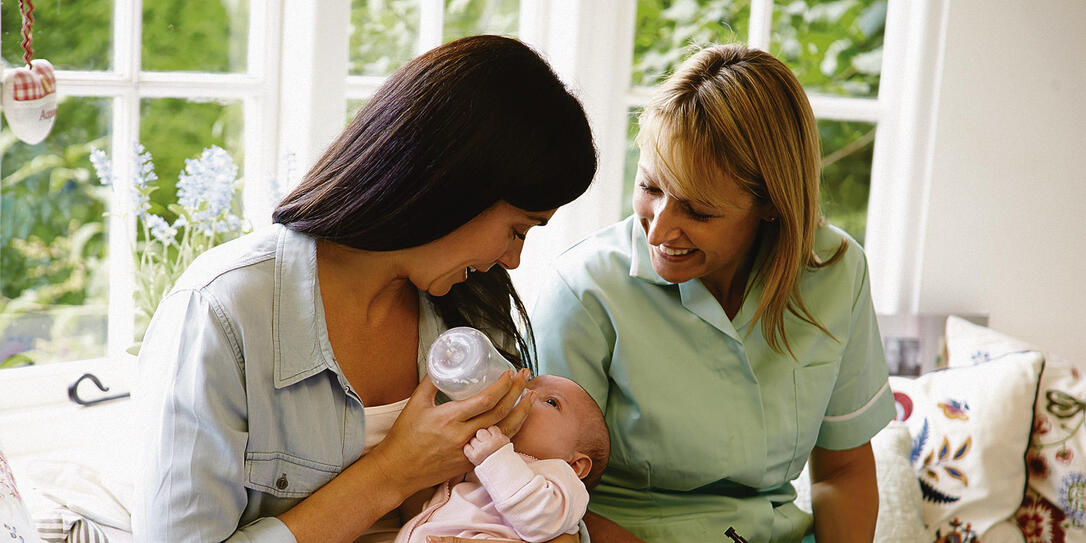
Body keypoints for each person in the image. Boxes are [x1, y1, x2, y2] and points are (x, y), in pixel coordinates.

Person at [132, 35, 596, 543]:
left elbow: (541, 498)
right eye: (517, 229)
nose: (512, 259)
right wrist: (392, 473)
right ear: (457, 185)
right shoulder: (223, 312)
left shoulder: (473, 309)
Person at [531, 43, 895, 543]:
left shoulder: (836, 271)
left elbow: (843, 470)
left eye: (698, 212)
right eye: (650, 188)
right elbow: (541, 495)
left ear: (771, 204)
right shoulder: (584, 291)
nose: (659, 230)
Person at [396, 375, 610, 543]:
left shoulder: (561, 478)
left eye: (551, 402)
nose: (525, 395)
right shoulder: (483, 455)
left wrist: (495, 457)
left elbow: (541, 519)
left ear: (576, 465)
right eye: (526, 387)